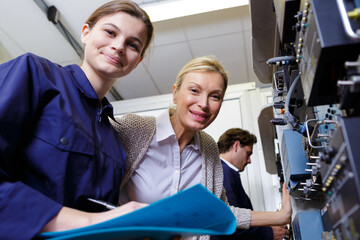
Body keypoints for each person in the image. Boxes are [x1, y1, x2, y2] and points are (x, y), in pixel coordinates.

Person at [0, 1, 153, 239]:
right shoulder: (35, 74)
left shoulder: (115, 144)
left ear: (137, 61)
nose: (119, 46)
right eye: (110, 32)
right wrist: (87, 221)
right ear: (85, 33)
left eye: (133, 44)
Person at [113, 56, 292, 240]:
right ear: (175, 93)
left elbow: (219, 211)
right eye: (194, 90)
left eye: (215, 96)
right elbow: (91, 190)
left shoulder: (209, 148)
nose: (204, 104)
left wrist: (281, 216)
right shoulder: (133, 129)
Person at [217, 128, 289, 240]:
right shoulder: (224, 172)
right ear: (236, 145)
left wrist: (269, 223)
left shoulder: (227, 172)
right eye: (248, 153)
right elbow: (232, 222)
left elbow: (243, 218)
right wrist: (268, 232)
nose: (249, 160)